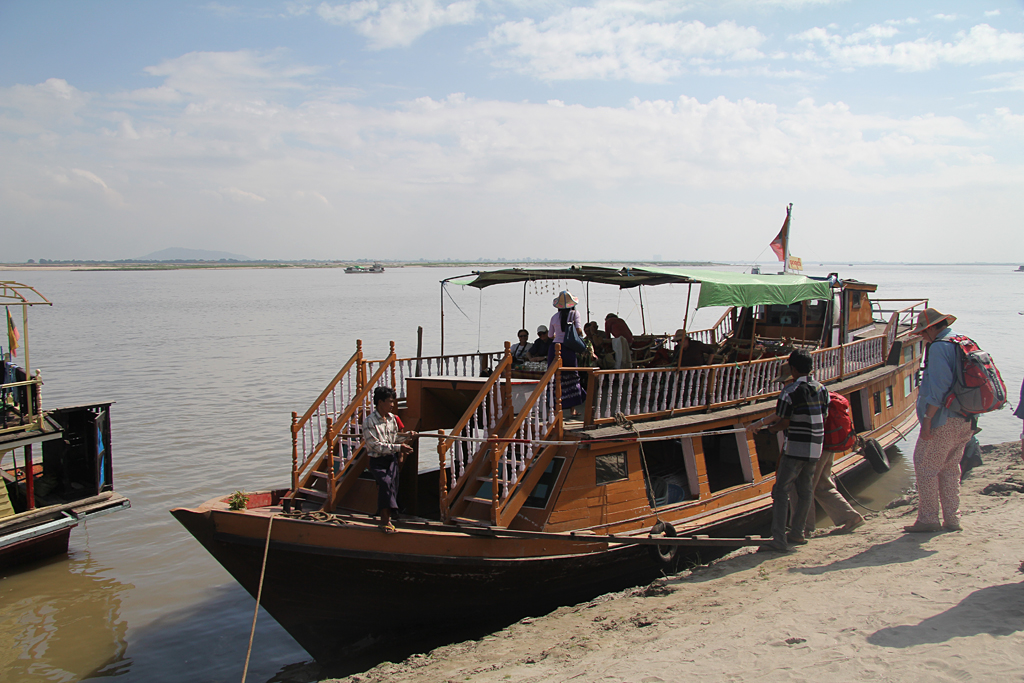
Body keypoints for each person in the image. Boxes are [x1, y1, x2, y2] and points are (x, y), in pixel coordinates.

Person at [748, 350, 830, 552]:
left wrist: (769, 429)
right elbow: (824, 414)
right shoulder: (822, 389)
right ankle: (797, 533)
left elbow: (783, 421)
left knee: (781, 491)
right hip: (815, 448)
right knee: (805, 491)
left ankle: (778, 539)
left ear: (793, 369)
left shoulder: (789, 391)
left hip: (795, 449)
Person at [904, 308, 974, 533]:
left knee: (925, 466)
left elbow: (938, 389)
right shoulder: (962, 342)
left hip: (943, 419)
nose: (923, 337)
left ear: (934, 327)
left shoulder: (938, 348)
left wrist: (927, 420)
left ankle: (928, 519)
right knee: (950, 468)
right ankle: (952, 518)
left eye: (924, 332)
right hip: (966, 418)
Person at [363, 386, 414, 533]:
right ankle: (384, 520)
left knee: (392, 486)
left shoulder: (392, 419)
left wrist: (408, 436)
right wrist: (399, 448)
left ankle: (389, 517)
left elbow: (393, 438)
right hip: (377, 460)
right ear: (380, 402)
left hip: (391, 459)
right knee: (384, 483)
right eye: (390, 402)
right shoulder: (369, 421)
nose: (392, 405)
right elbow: (375, 445)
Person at [548, 291, 586, 415]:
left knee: (554, 377)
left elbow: (550, 335)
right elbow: (579, 331)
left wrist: (558, 334)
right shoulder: (575, 314)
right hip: (568, 348)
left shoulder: (554, 317)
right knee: (572, 376)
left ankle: (552, 409)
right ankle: (572, 409)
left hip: (555, 348)